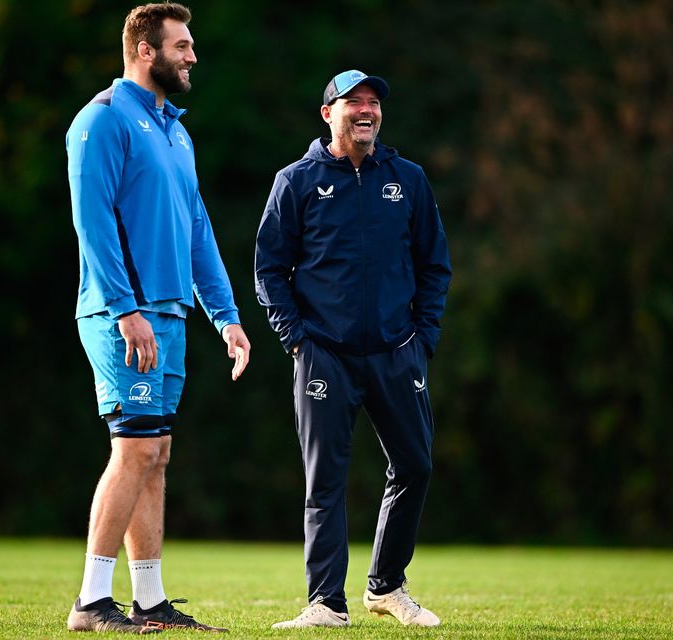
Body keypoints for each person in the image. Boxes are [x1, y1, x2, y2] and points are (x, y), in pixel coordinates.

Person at [64, 3, 250, 634]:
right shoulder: (102, 120)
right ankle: (91, 602)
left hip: (167, 317)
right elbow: (92, 225)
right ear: (146, 50)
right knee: (135, 446)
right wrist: (126, 310)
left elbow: (198, 232)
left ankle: (148, 602)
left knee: (156, 452)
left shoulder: (176, 130)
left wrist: (225, 316)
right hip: (125, 315)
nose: (192, 55)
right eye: (182, 45)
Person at [255, 70, 452, 629]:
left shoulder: (407, 179)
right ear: (328, 114)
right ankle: (325, 603)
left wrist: (424, 337)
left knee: (415, 464)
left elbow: (434, 265)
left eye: (373, 103)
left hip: (397, 351)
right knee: (326, 482)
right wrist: (296, 339)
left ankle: (386, 586)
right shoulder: (295, 181)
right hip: (325, 355)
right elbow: (269, 269)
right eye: (353, 102)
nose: (366, 110)